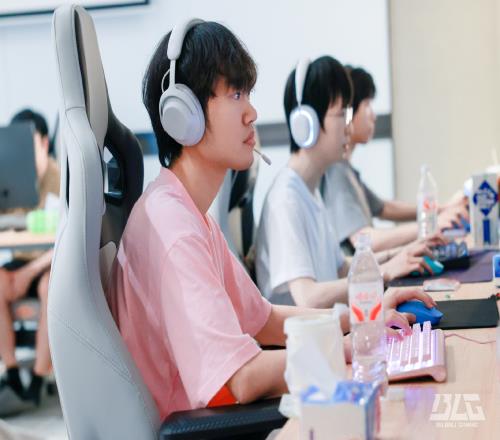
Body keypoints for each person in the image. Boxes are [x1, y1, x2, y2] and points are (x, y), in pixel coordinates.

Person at [106, 21, 435, 420]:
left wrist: (365, 317)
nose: (252, 113)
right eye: (236, 94)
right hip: (205, 426)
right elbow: (241, 378)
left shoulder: (186, 213)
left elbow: (265, 320)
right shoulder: (172, 227)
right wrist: (353, 347)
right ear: (183, 113)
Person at [255, 57, 441, 308]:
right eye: (342, 114)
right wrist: (385, 272)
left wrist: (399, 255)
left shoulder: (309, 191)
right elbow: (307, 297)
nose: (348, 127)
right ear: (305, 124)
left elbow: (341, 268)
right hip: (314, 332)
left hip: (335, 324)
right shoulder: (286, 201)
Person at [322, 66, 467, 253]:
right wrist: (430, 226)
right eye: (367, 105)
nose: (373, 116)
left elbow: (385, 208)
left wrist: (442, 209)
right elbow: (363, 239)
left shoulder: (347, 171)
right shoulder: (337, 172)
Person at [0, 109, 59, 414]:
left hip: (48, 263)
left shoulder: (60, 178)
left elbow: (66, 239)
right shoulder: (9, 183)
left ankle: (37, 378)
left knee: (51, 287)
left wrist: (30, 272)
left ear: (44, 142)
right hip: (19, 263)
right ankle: (12, 373)